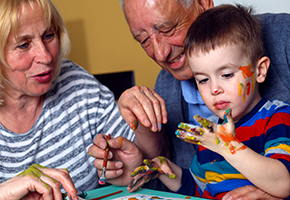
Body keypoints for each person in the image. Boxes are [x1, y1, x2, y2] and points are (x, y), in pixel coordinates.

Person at [92, 0, 290, 199]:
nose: (214, 89)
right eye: (202, 80)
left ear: (261, 70)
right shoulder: (210, 133)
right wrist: (165, 169)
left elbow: (284, 182)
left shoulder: (276, 117)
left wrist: (226, 146)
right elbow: (198, 188)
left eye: (227, 75)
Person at [0, 0, 169, 199]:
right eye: (23, 44)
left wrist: (136, 152)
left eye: (48, 35)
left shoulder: (74, 80)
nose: (45, 56)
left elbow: (153, 160)